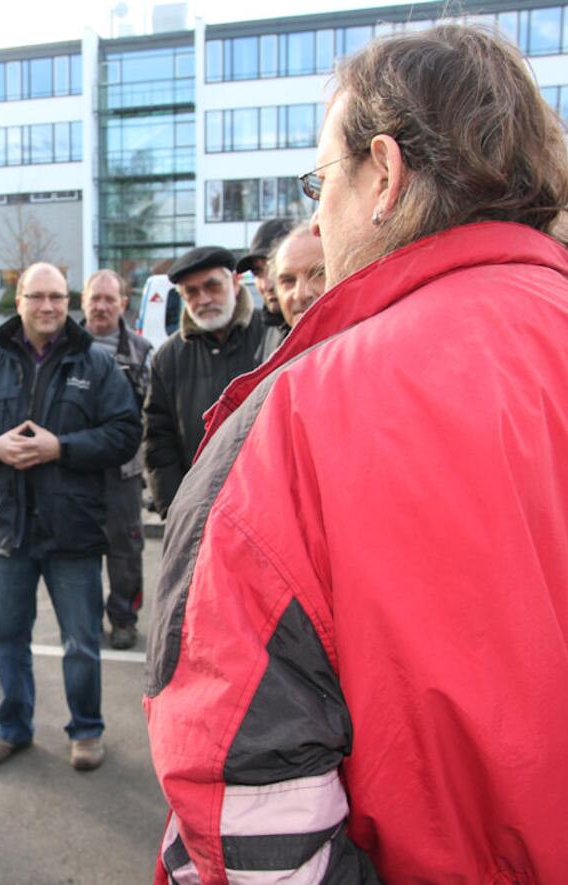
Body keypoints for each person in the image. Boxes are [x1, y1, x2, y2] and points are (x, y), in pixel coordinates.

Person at [145, 24, 568, 881]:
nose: (316, 218)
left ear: (385, 173)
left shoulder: (303, 410)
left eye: (320, 182)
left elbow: (243, 786)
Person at [0, 261, 140, 771]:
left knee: (81, 640)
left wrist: (63, 448)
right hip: (8, 531)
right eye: (37, 297)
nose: (48, 306)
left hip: (73, 529)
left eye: (56, 296)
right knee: (7, 637)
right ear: (20, 301)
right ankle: (11, 728)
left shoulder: (95, 365)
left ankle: (86, 730)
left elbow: (126, 431)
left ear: (68, 301)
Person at [142, 246, 263, 519]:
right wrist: (176, 511)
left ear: (234, 282)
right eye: (192, 292)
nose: (204, 299)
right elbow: (158, 441)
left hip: (267, 509)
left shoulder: (271, 336)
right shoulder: (168, 358)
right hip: (199, 515)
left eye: (212, 286)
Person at [80, 269, 152, 650]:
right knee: (79, 551)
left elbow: (153, 415)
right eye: (96, 298)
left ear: (123, 304)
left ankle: (124, 619)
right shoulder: (65, 347)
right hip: (76, 470)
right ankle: (85, 618)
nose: (102, 306)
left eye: (110, 299)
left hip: (123, 473)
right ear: (83, 301)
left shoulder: (141, 352)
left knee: (126, 551)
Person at [236, 217, 295, 361]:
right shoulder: (270, 329)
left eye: (274, 269)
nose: (266, 284)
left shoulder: (326, 331)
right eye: (257, 272)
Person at [269, 222, 325, 328]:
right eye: (288, 280)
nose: (301, 294)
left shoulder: (363, 342)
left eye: (318, 274)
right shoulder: (273, 342)